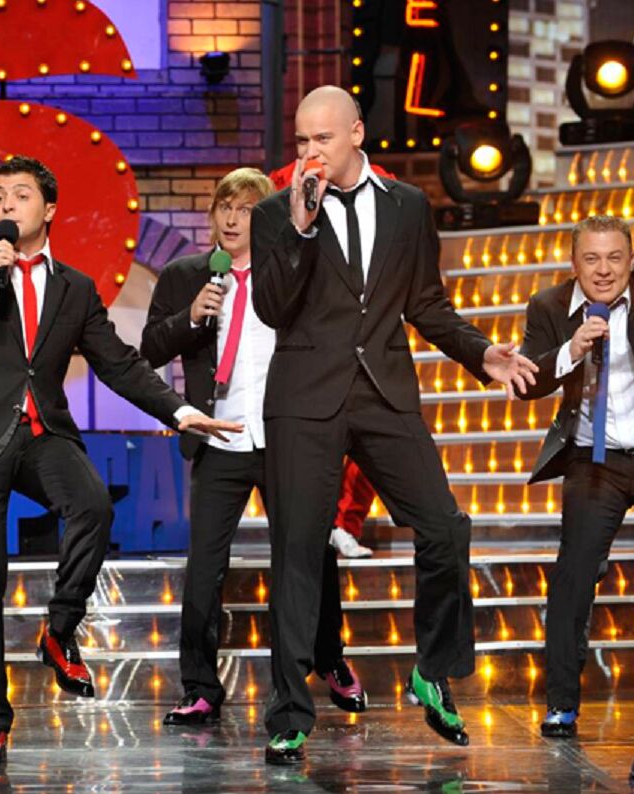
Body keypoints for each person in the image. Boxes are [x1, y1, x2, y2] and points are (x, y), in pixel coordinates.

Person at [0, 155, 240, 764]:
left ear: (49, 209)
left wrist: (178, 410)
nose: (6, 203)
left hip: (43, 433)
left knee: (92, 503)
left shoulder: (75, 287)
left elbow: (119, 364)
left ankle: (59, 629)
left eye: (20, 194)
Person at [250, 85, 537, 764]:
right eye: (301, 141)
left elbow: (426, 304)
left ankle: (432, 670)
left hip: (383, 393)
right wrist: (300, 227)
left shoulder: (408, 206)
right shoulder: (275, 211)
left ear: (356, 133)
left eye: (322, 139)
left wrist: (480, 353)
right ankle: (289, 713)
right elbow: (271, 307)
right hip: (303, 398)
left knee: (444, 525)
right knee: (297, 552)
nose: (310, 152)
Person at [141, 167, 368, 726]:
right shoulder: (185, 276)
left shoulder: (289, 274)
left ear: (266, 219)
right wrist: (190, 317)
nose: (231, 218)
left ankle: (328, 657)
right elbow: (149, 348)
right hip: (219, 436)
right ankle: (200, 685)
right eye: (224, 207)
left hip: (285, 435)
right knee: (204, 568)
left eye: (245, 209)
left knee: (310, 552)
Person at [513, 215, 634, 739]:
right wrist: (570, 351)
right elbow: (527, 383)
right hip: (591, 460)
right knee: (572, 579)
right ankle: (561, 704)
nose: (603, 270)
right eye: (592, 259)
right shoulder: (549, 306)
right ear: (574, 264)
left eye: (615, 258)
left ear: (631, 261)